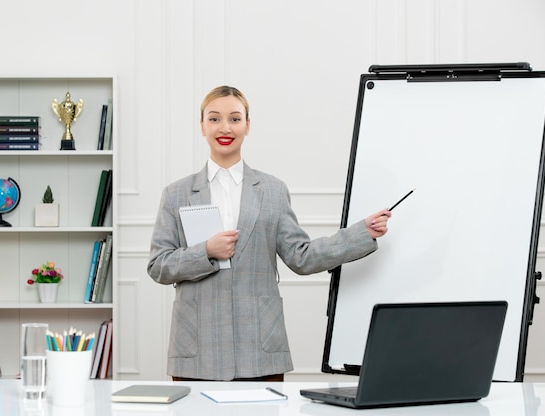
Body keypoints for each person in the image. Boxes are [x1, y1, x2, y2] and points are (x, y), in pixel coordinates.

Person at [148, 85, 391, 381]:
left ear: (248, 125)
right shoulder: (176, 194)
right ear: (202, 126)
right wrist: (206, 251)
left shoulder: (273, 190)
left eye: (235, 119)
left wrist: (361, 232)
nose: (225, 127)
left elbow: (302, 257)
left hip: (260, 348)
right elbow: (158, 265)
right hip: (197, 349)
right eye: (214, 119)